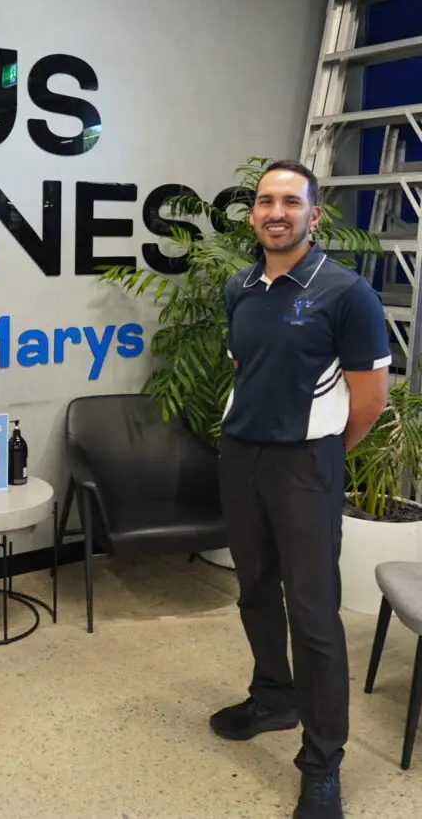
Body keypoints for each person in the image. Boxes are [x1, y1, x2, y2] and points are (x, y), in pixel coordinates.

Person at [211, 161, 391, 819]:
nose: (276, 211)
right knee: (254, 588)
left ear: (314, 215)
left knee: (314, 617)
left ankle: (323, 763)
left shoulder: (347, 294)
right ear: (253, 215)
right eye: (265, 201)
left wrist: (320, 456)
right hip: (240, 457)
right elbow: (247, 366)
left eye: (291, 201)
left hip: (305, 466)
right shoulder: (240, 286)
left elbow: (369, 402)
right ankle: (273, 697)